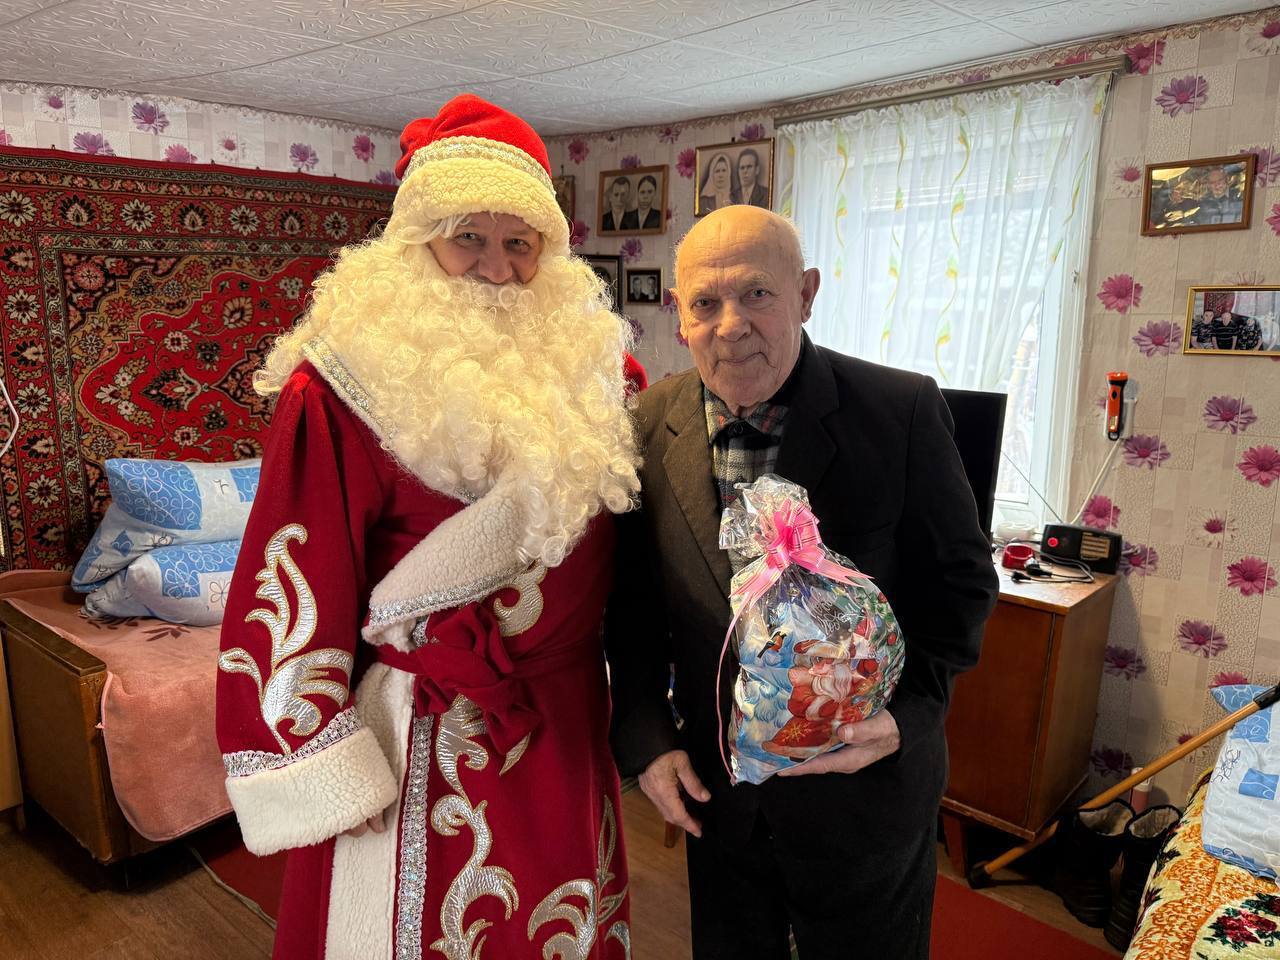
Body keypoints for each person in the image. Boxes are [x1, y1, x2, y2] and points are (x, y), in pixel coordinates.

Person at [216, 94, 645, 960]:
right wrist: (319, 753)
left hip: (562, 715)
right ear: (418, 244)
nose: (497, 269)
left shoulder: (605, 377)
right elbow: (292, 576)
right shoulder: (335, 388)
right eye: (468, 238)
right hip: (421, 732)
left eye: (520, 243)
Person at [605, 205, 999, 959]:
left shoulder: (902, 410)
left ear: (807, 294)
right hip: (719, 803)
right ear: (680, 315)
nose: (731, 327)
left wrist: (908, 717)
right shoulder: (646, 424)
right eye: (705, 303)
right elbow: (631, 607)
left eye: (757, 293)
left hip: (864, 797)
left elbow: (963, 588)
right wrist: (648, 741)